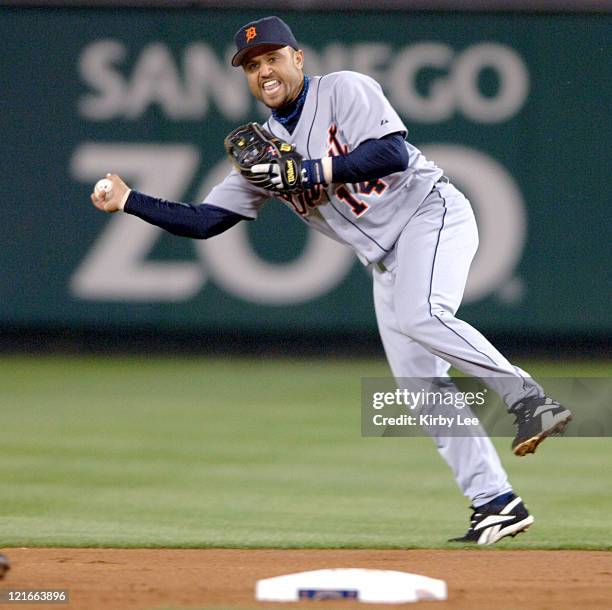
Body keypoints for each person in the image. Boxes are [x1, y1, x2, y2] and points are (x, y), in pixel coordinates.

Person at [91, 16, 572, 545]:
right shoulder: (264, 153)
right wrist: (130, 200)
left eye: (273, 58)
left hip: (430, 216)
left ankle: (529, 399)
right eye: (252, 65)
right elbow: (206, 222)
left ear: (298, 59)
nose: (263, 70)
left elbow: (390, 151)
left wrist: (309, 171)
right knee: (419, 388)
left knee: (423, 316)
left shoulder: (344, 88)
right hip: (384, 260)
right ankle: (495, 503)